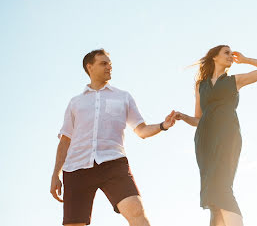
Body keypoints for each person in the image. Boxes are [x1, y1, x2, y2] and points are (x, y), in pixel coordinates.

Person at [50, 49, 176, 226]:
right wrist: (55, 174)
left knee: (135, 209)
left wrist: (163, 126)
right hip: (76, 168)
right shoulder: (75, 102)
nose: (109, 66)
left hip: (113, 163)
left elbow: (141, 130)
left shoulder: (123, 97)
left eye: (110, 63)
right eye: (103, 63)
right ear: (90, 67)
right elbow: (65, 140)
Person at [174, 45, 257, 226]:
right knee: (211, 193)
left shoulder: (234, 81)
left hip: (227, 134)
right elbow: (199, 119)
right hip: (204, 139)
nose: (231, 55)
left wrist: (245, 60)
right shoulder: (201, 86)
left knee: (221, 186)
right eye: (226, 52)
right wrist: (183, 117)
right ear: (214, 57)